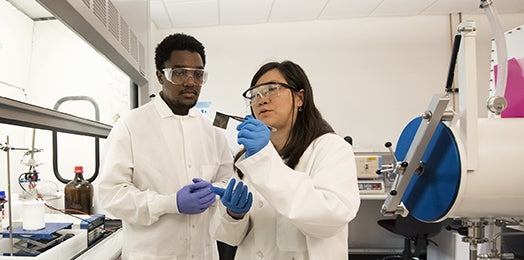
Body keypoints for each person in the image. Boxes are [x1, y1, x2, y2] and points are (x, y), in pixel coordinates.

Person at [97, 33, 233, 259]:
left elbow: (227, 180)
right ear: (160, 76)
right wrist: (170, 203)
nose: (190, 82)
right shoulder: (131, 126)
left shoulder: (212, 132)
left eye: (198, 74)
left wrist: (215, 192)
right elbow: (110, 195)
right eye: (179, 73)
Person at [211, 60, 361, 259]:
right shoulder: (247, 158)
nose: (262, 99)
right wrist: (234, 215)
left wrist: (264, 158)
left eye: (272, 89)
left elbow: (330, 219)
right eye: (255, 94)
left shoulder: (330, 148)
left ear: (300, 97)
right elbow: (231, 238)